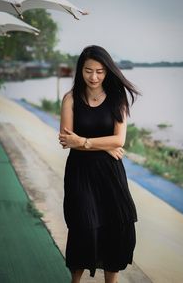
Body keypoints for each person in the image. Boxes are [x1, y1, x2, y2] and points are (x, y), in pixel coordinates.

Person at [59, 45, 141, 283]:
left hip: (110, 174)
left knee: (115, 228)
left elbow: (120, 139)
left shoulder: (117, 99)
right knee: (83, 228)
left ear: (108, 72)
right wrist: (103, 144)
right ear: (80, 71)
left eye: (100, 71)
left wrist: (84, 141)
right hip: (80, 173)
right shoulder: (71, 98)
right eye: (88, 71)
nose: (93, 77)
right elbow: (66, 140)